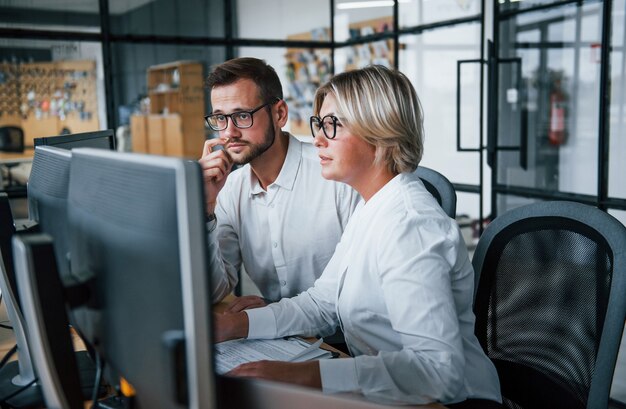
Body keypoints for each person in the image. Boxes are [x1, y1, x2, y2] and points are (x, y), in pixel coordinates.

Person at [214, 65, 503, 407]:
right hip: (392, 393)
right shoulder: (372, 208)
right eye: (319, 124)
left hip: (453, 402)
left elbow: (440, 373)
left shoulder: (410, 225)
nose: (318, 138)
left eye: (332, 125)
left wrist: (306, 376)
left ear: (379, 133)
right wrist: (235, 326)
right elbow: (322, 302)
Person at [200, 57, 360, 310]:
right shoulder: (230, 190)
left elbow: (362, 288)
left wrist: (274, 314)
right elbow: (213, 292)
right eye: (220, 119)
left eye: (242, 116)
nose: (229, 132)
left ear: (279, 114)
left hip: (346, 343)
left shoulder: (335, 176)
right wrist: (206, 208)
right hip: (285, 340)